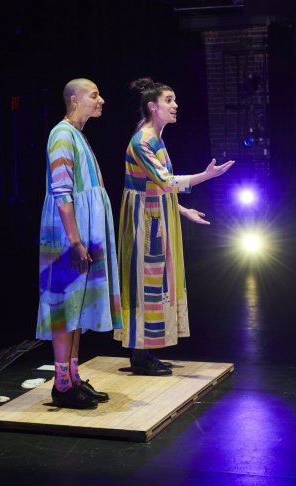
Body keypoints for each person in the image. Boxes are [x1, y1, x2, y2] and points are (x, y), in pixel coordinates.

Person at [115, 77, 234, 375]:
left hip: (156, 213)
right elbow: (165, 182)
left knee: (156, 280)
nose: (175, 105)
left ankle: (144, 350)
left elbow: (158, 188)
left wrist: (181, 209)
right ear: (154, 107)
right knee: (146, 280)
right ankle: (139, 353)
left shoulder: (155, 139)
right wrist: (208, 175)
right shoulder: (142, 140)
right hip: (145, 220)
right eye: (169, 100)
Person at [36, 78, 122, 409]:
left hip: (83, 229)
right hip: (66, 232)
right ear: (74, 99)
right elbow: (61, 191)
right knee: (64, 305)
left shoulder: (77, 135)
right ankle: (61, 384)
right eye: (94, 95)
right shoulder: (61, 134)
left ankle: (71, 377)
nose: (101, 100)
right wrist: (74, 239)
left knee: (78, 306)